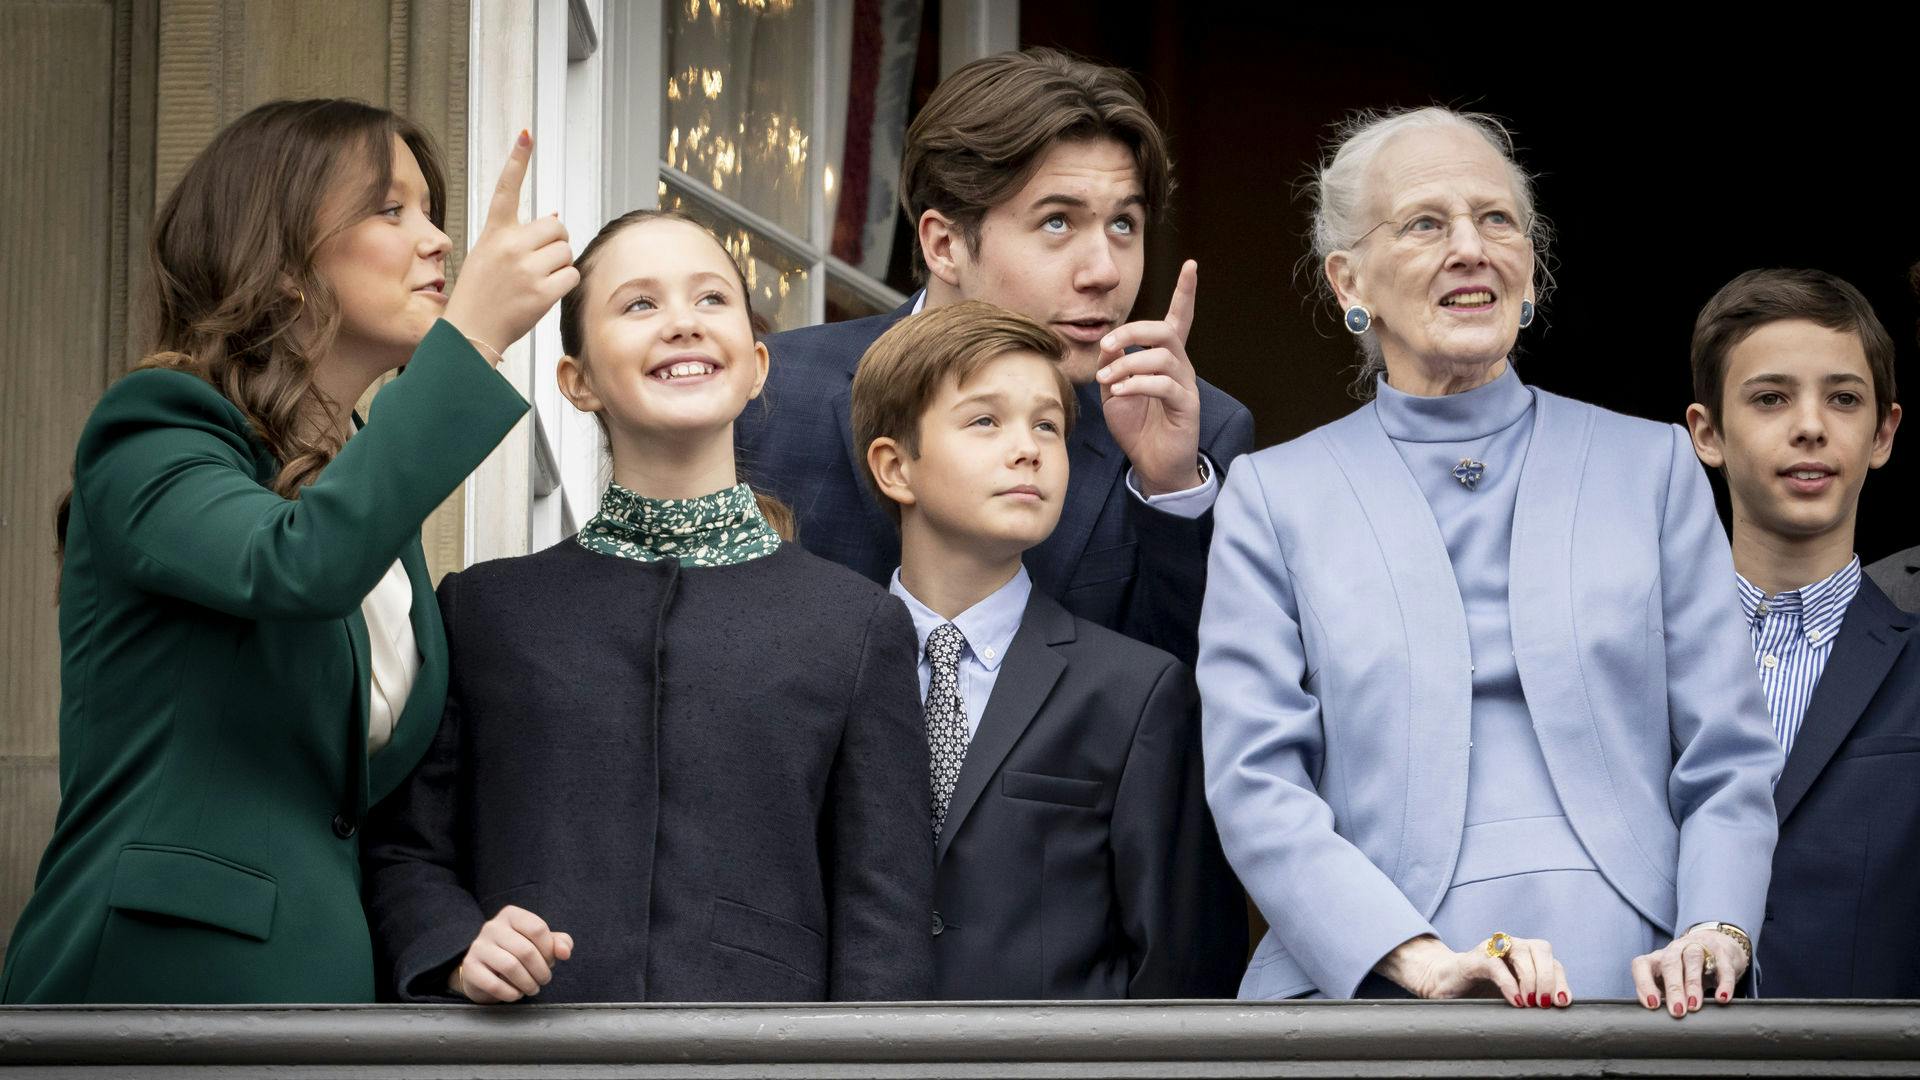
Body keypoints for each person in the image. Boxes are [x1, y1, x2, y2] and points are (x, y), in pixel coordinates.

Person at [1199, 106, 1782, 1015]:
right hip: (1378, 981)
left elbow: (1728, 755)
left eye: (1497, 219)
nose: (1470, 247)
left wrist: (1715, 930)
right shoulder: (1274, 497)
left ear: (1531, 273)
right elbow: (1255, 782)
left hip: (1646, 979)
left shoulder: (1651, 467)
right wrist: (1416, 955)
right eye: (1426, 223)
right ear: (1349, 279)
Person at [0, 100, 570, 1003]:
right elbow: (295, 564)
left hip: (326, 1002)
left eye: (433, 213)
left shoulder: (373, 505)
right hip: (155, 994)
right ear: (283, 258)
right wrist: (473, 341)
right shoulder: (153, 429)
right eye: (391, 210)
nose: (438, 244)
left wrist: (453, 937)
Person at [362, 210, 934, 1004]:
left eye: (711, 301)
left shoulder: (858, 625)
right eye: (639, 305)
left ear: (758, 364)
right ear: (578, 380)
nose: (681, 326)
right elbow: (403, 854)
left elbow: (887, 921)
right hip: (523, 1065)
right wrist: (456, 943)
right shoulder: (484, 611)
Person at [737, 48, 1254, 665]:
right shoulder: (772, 390)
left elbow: (1190, 716)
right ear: (945, 243)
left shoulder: (1196, 434)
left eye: (1123, 225)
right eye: (1058, 222)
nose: (1105, 272)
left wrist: (1169, 492)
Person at [851, 300, 1245, 998]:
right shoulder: (824, 667)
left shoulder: (1134, 693)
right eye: (984, 421)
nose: (1028, 446)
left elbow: (1184, 968)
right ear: (894, 467)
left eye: (1049, 425)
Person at [1683, 268, 1918, 997]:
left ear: (1883, 433)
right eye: (1771, 397)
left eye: (1844, 398)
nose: (1810, 424)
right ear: (1708, 433)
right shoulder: (1632, 660)